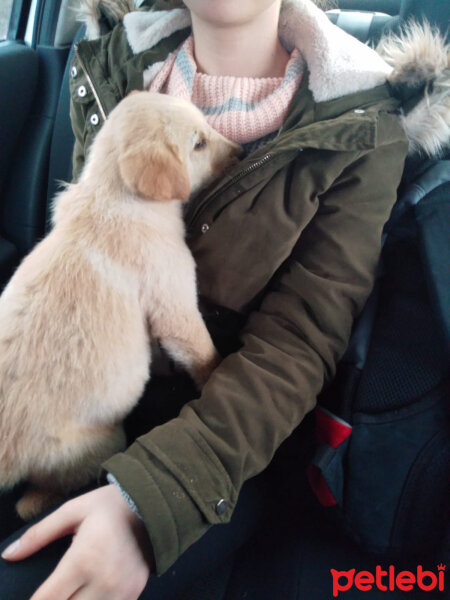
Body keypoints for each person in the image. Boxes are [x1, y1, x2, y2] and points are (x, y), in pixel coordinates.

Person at [0, 0, 448, 598]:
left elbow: (298, 342)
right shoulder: (115, 61)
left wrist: (153, 497)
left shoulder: (361, 121)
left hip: (220, 441)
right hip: (71, 397)